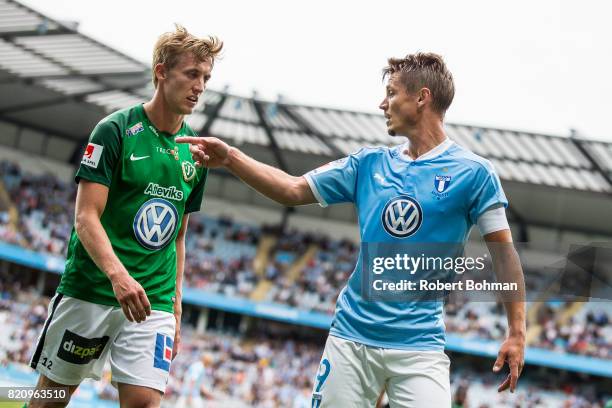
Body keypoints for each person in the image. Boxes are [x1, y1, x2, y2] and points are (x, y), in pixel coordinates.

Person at [177, 52, 526, 407]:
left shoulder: (474, 173)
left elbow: (504, 254)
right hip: (350, 338)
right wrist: (232, 158)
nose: (382, 103)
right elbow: (293, 189)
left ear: (422, 97)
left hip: (420, 347)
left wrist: (517, 332)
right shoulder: (368, 163)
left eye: (391, 93)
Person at [27, 25, 222, 408]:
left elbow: (178, 236)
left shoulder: (197, 153)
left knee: (145, 404)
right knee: (50, 399)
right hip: (94, 290)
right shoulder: (114, 130)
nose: (200, 86)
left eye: (206, 78)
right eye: (192, 74)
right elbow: (85, 217)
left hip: (154, 302)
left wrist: (176, 307)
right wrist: (119, 277)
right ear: (162, 72)